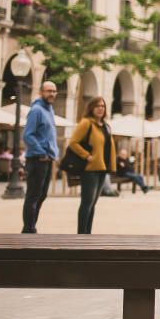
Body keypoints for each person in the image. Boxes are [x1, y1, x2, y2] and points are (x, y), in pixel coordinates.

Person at [67, 96, 116, 234]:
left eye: (103, 106)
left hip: (102, 168)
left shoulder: (105, 126)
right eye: (97, 106)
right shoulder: (86, 123)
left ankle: (88, 233)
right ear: (91, 108)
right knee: (87, 203)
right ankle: (81, 234)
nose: (101, 108)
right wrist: (87, 156)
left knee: (93, 203)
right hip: (89, 169)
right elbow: (73, 142)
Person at [21, 81, 59, 234]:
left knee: (42, 195)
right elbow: (28, 135)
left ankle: (31, 227)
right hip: (37, 160)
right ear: (41, 92)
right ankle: (28, 230)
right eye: (49, 91)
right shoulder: (36, 110)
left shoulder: (49, 110)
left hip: (47, 159)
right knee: (33, 196)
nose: (52, 94)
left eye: (54, 91)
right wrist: (41, 152)